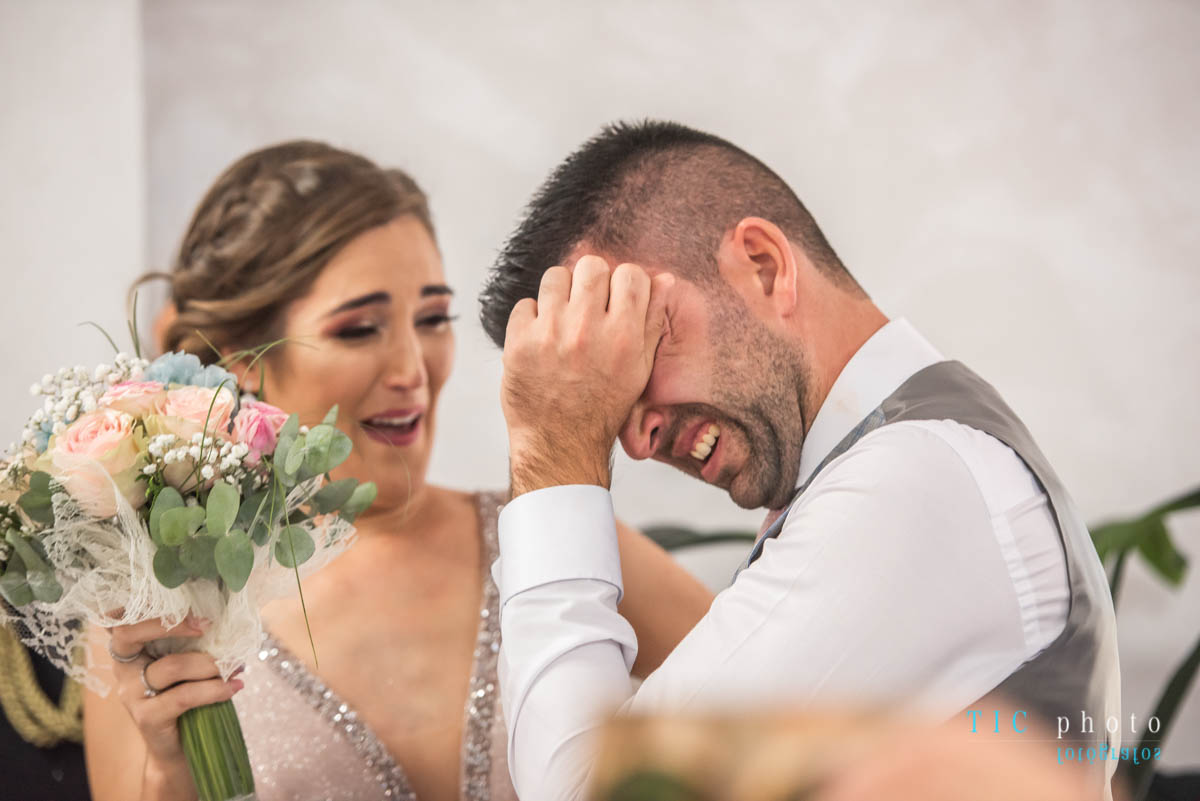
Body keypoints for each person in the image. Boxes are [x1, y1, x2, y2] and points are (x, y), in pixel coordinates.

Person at [477, 120, 1122, 801]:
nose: (633, 440)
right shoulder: (905, 465)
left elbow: (593, 792)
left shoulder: (914, 483)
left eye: (639, 341)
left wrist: (554, 451)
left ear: (764, 265)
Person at [83, 141, 714, 801]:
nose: (414, 369)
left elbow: (797, 718)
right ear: (242, 358)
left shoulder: (549, 544)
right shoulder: (158, 606)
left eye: (434, 319)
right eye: (361, 329)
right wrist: (169, 772)